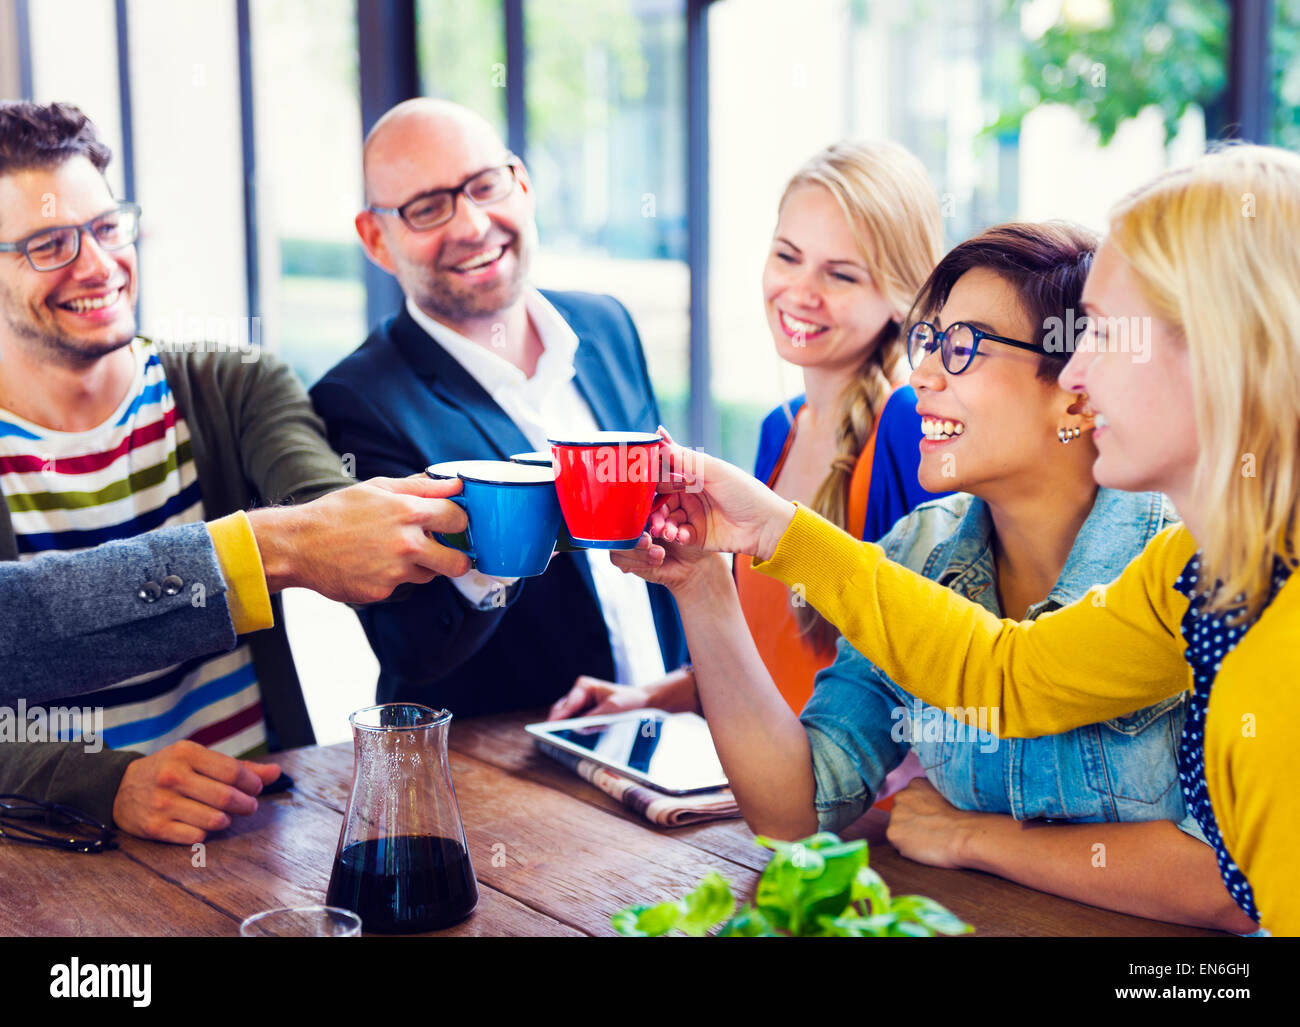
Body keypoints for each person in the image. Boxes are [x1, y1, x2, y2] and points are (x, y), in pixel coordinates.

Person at [637, 146, 1300, 935]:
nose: (1082, 370)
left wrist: (972, 837)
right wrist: (733, 556)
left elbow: (1231, 886)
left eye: (1104, 333)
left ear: (1222, 347)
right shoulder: (1192, 571)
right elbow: (1007, 673)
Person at [0, 100, 470, 844]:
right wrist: (102, 782)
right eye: (49, 245)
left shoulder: (236, 385)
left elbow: (326, 510)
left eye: (105, 227)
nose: (97, 265)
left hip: (253, 833)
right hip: (49, 859)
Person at [550, 140, 949, 725]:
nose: (801, 292)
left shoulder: (910, 428)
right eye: (788, 256)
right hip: (771, 790)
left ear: (900, 294)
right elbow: (776, 658)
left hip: (864, 805)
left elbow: (946, 652)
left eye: (840, 274)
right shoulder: (780, 430)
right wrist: (653, 698)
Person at [311, 98, 687, 717]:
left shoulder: (607, 323)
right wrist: (501, 541)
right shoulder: (357, 402)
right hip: (508, 779)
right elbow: (413, 647)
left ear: (523, 185)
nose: (472, 226)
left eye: (485, 186)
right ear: (376, 239)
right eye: (428, 207)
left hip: (666, 737)